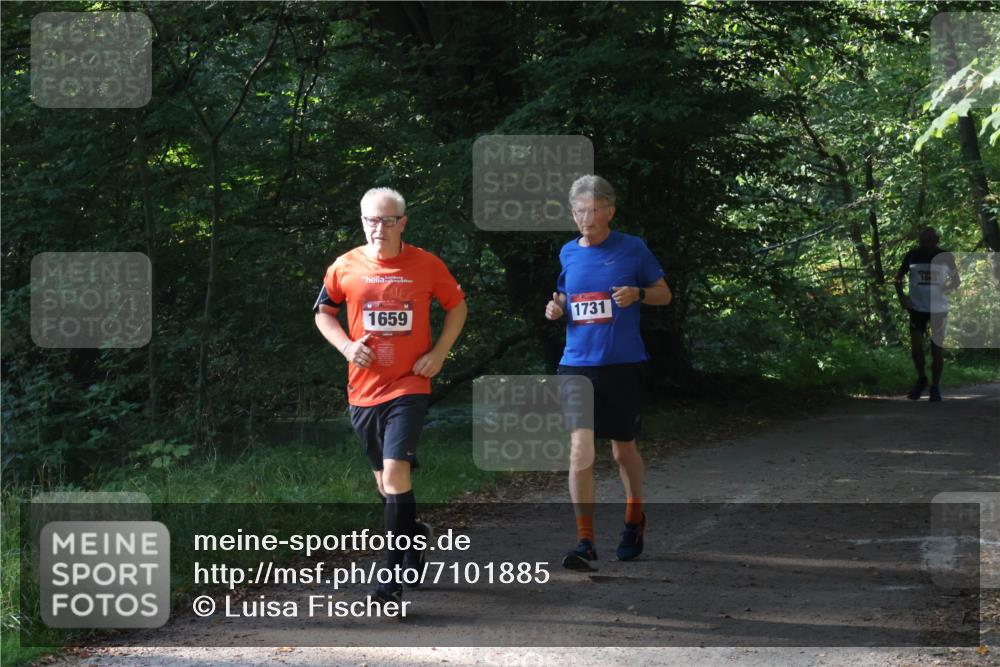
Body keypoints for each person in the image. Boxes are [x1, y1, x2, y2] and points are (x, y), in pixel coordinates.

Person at [314, 187, 468, 605]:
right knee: (385, 483)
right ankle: (414, 536)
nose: (377, 228)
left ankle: (390, 573)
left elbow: (457, 306)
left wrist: (438, 353)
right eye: (370, 220)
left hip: (409, 384)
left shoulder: (426, 264)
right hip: (363, 389)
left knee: (396, 472)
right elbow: (323, 313)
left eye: (386, 220)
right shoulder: (345, 266)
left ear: (403, 221)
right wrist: (347, 346)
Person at [544, 175, 672, 570]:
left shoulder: (632, 249)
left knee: (622, 449)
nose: (586, 217)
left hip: (622, 364)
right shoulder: (568, 252)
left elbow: (665, 295)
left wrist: (638, 294)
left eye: (594, 210)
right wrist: (556, 309)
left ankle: (635, 517)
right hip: (576, 364)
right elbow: (566, 297)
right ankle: (585, 541)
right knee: (580, 450)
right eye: (580, 211)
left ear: (610, 211)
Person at [894, 227, 959, 402]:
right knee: (916, 349)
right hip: (917, 309)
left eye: (929, 240)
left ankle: (935, 387)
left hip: (939, 309)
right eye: (922, 241)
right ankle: (921, 379)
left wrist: (944, 289)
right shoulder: (912, 256)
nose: (925, 244)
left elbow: (956, 281)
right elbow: (897, 278)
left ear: (936, 240)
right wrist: (902, 298)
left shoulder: (946, 257)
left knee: (936, 349)